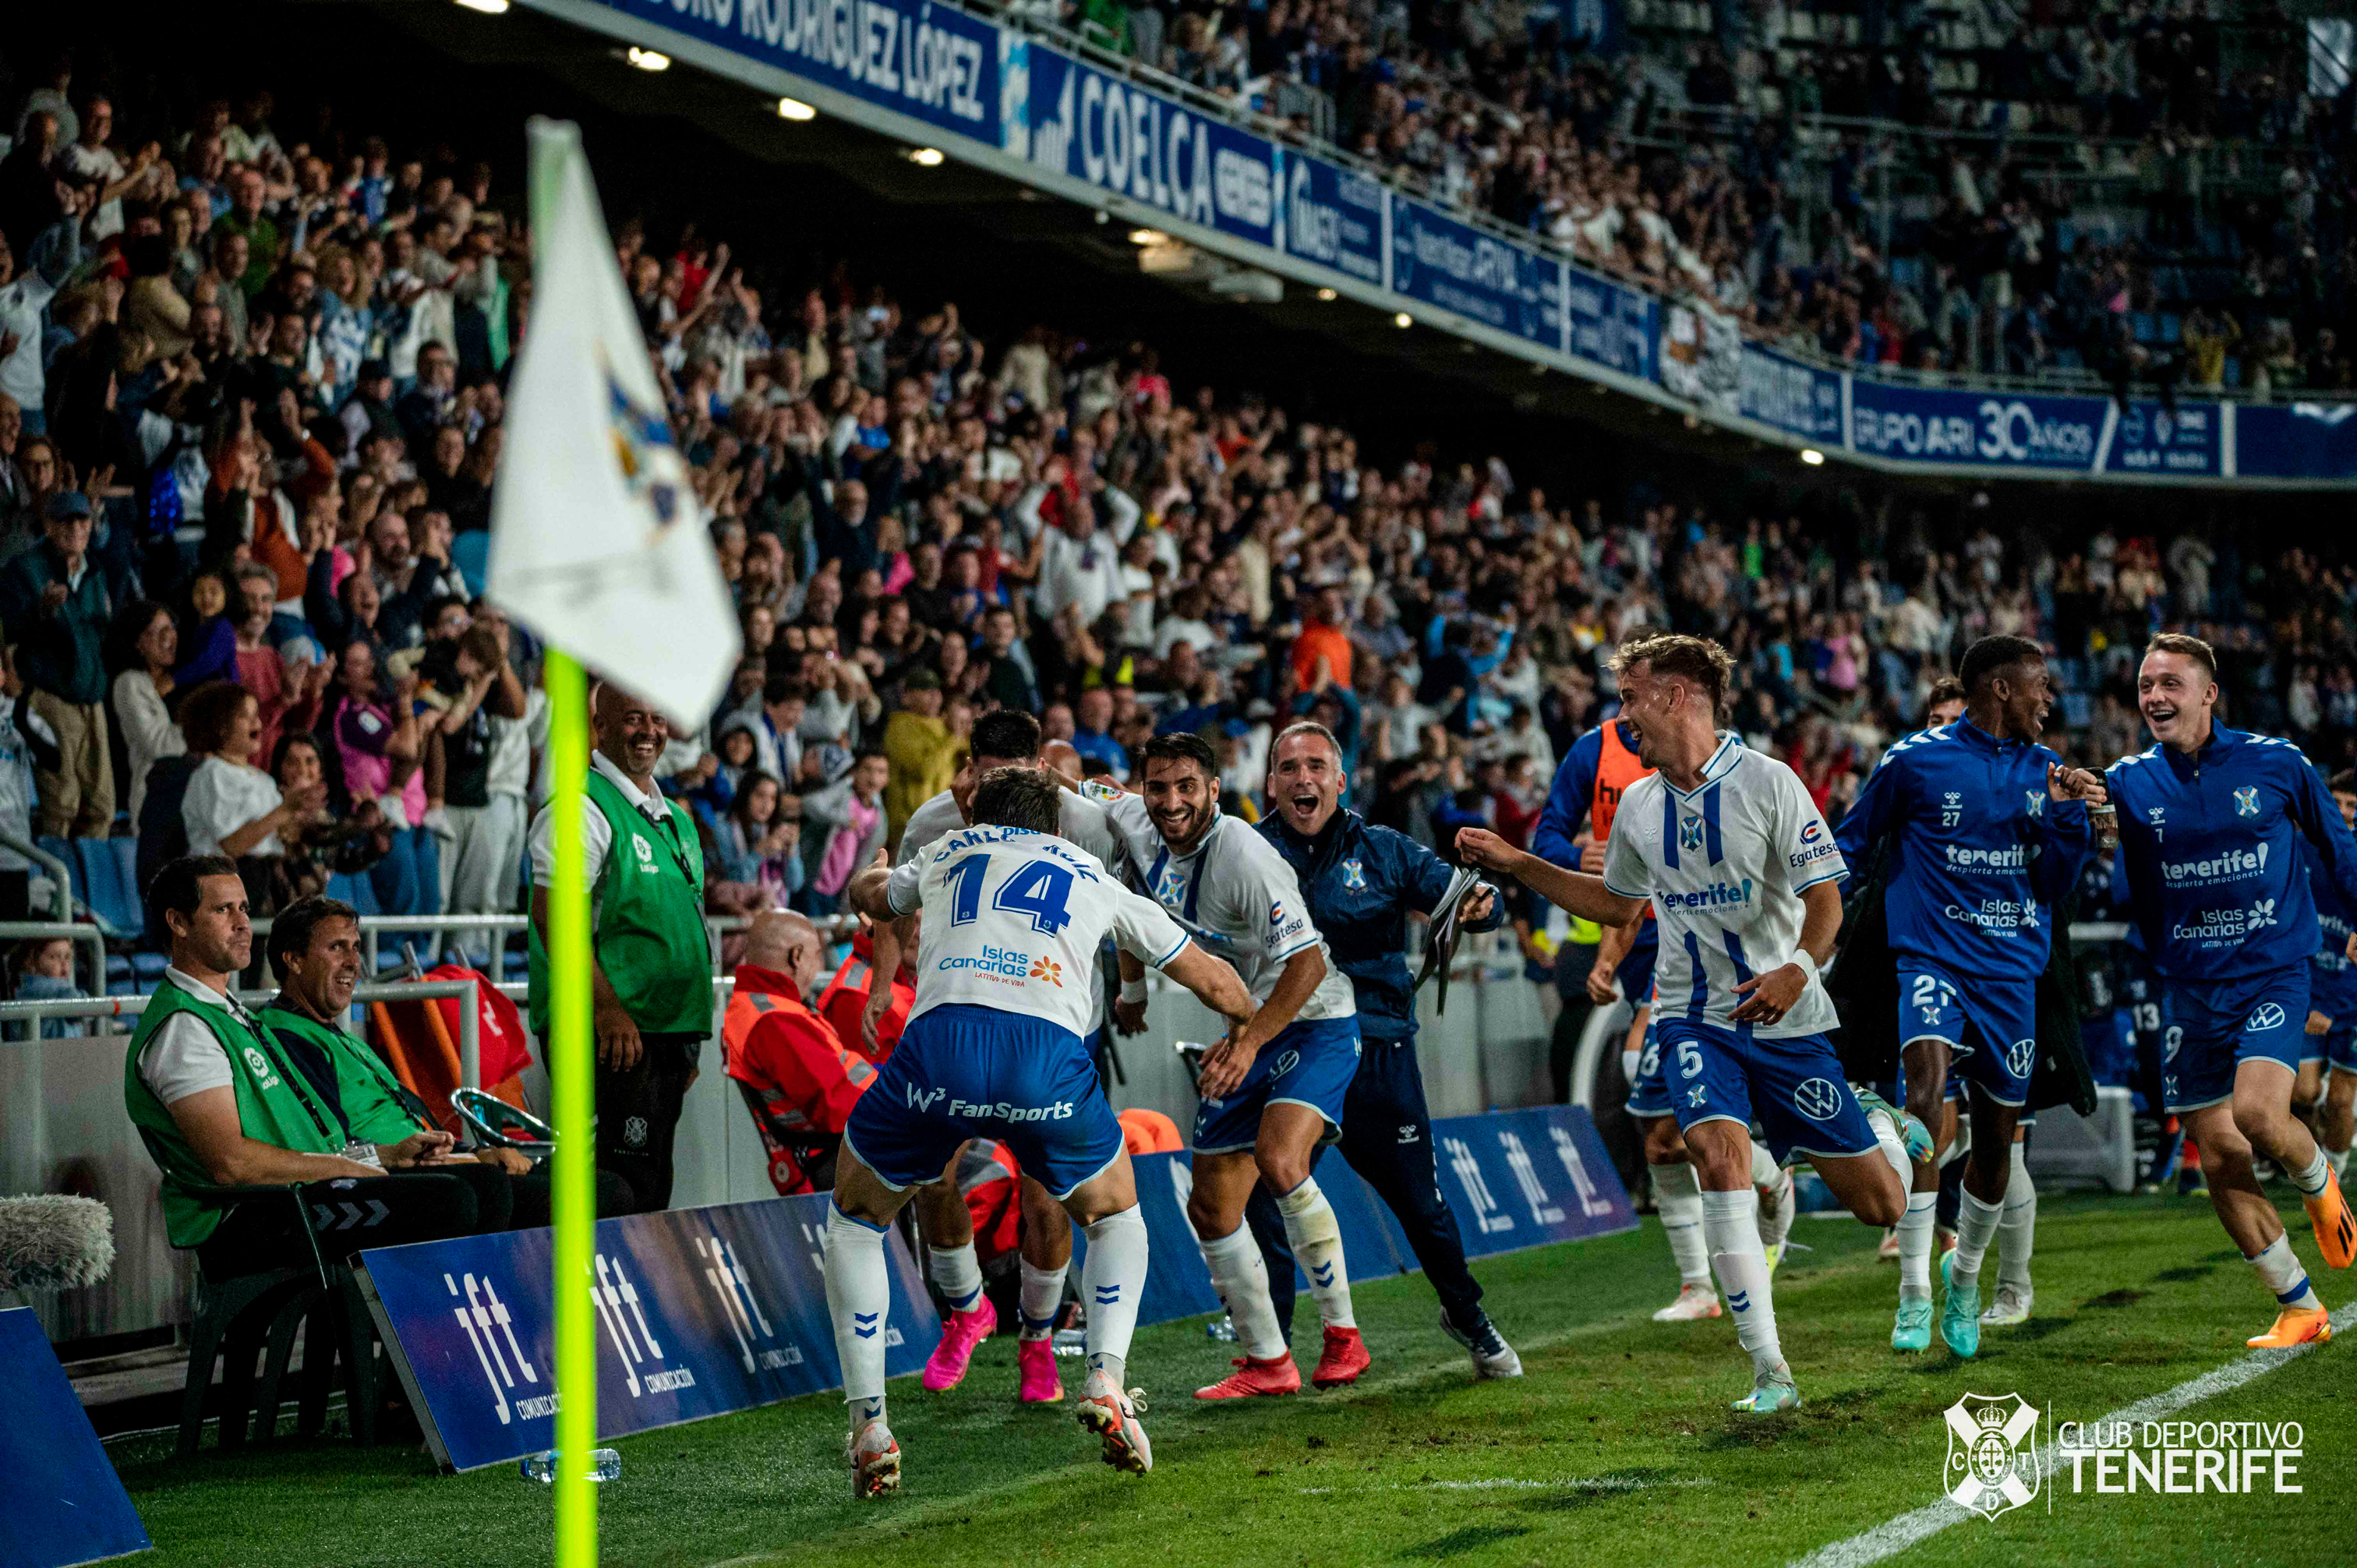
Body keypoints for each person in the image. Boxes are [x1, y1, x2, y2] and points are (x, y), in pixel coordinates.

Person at [1454, 633, 1910, 1414]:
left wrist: (1796, 968)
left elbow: (1826, 899)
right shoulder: (1637, 804)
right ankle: (1770, 1369)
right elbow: (1617, 906)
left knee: (1882, 1205)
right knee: (1714, 1156)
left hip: (1787, 1013)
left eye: (1632, 697)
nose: (1623, 714)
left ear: (1675, 695)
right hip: (1692, 1014)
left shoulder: (1769, 782)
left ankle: (1872, 1121)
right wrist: (1517, 863)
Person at [836, 766, 1257, 1494]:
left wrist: (869, 881)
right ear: (1055, 828)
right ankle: (1105, 1380)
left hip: (942, 1051)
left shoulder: (947, 853)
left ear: (978, 819)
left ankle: (870, 1423)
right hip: (1046, 1064)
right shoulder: (1088, 871)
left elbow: (873, 897)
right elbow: (1212, 978)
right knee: (1116, 1215)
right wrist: (1246, 1024)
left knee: (856, 1220)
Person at [1832, 636, 2101, 1358]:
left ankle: (1967, 1277)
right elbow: (1850, 848)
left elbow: (2053, 885)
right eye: (2041, 685)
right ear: (2002, 689)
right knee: (1924, 1098)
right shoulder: (1914, 762)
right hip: (1933, 960)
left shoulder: (2048, 773)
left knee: (1994, 1146)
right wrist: (1809, 926)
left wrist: (2069, 819)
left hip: (2011, 974)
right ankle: (1913, 1291)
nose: (2052, 698)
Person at [2100, 633, 2357, 1348]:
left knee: (2258, 1114)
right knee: (2217, 1152)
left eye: (2172, 684)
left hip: (2271, 970)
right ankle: (2299, 1305)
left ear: (2210, 694)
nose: (2155, 696)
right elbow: (2103, 862)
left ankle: (2318, 1182)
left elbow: (2339, 849)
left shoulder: (2277, 763)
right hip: (2188, 986)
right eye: (2148, 684)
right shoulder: (2125, 780)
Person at [1101, 732, 1372, 1400]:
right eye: (1158, 787)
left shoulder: (1245, 857)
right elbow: (1125, 900)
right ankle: (1268, 1362)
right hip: (1248, 1026)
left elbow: (1306, 965)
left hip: (1315, 1020)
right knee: (1211, 1207)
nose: (1171, 802)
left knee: (1281, 1161)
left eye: (1186, 787)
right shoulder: (1133, 823)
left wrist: (1247, 1044)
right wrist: (1131, 989)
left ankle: (1344, 1335)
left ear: (1215, 791)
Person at [1255, 719, 1522, 1378]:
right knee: (1265, 1191)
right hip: (1294, 1047)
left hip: (1378, 1051)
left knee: (1421, 1208)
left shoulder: (1383, 849)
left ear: (1340, 782)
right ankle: (1270, 1344)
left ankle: (1469, 1316)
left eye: (1316, 766)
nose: (1303, 778)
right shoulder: (1247, 851)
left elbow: (1467, 897)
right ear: (1270, 783)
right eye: (1289, 768)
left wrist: (1480, 904)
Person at [886, 709, 1130, 1406]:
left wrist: (1131, 988)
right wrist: (883, 986)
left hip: (1057, 1025)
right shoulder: (936, 820)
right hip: (958, 1018)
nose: (984, 792)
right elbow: (896, 904)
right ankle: (967, 1312)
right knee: (931, 1170)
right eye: (978, 775)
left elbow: (1124, 908)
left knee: (1043, 1191)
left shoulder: (1083, 822)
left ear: (1036, 772)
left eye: (1003, 779)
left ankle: (1038, 1343)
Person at [122, 858, 512, 1276]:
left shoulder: (231, 1016)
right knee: (453, 1200)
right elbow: (232, 1165)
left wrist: (383, 1155)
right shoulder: (184, 1027)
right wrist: (348, 1168)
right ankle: (424, 1335)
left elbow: (311, 1143)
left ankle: (437, 1333)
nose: (241, 924)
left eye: (244, 909)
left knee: (482, 1187)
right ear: (178, 923)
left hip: (298, 1194)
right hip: (251, 1220)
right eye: (223, 910)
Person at [254, 895, 606, 1229]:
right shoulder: (286, 1038)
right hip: (384, 1174)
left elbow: (413, 1124)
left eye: (356, 948)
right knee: (490, 1190)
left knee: (597, 1183)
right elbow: (329, 1147)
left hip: (430, 1161)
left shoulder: (339, 1037)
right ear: (293, 960)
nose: (353, 962)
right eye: (336, 948)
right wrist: (468, 1160)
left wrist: (477, 1152)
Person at [527, 681, 712, 1215]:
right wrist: (606, 1009)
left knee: (650, 1183)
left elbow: (686, 923)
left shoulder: (675, 817)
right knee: (611, 1187)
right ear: (599, 729)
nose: (648, 731)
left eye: (656, 719)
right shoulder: (580, 807)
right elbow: (553, 917)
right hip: (607, 1033)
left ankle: (631, 1294)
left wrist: (688, 1041)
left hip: (664, 1035)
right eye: (632, 719)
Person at [723, 910, 875, 1195]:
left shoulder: (764, 1008)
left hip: (841, 1153)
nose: (819, 967)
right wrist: (906, 1113)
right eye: (817, 956)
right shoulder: (776, 1022)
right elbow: (836, 1105)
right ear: (796, 956)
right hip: (846, 1159)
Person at [0, 491, 113, 836]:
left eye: (82, 520)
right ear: (48, 525)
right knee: (61, 802)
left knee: (101, 805)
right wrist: (42, 611)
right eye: (64, 520)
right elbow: (11, 631)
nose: (75, 527)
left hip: (91, 696)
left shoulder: (94, 570)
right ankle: (52, 886)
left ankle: (89, 888)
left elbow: (103, 631)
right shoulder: (25, 570)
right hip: (51, 693)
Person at [2312, 771, 2357, 1181]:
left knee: (2342, 1100)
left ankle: (2333, 1180)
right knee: (2303, 1093)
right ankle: (2305, 1162)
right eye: (2337, 803)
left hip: (2352, 997)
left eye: (2352, 806)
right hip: (2308, 990)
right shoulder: (2305, 849)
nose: (2344, 813)